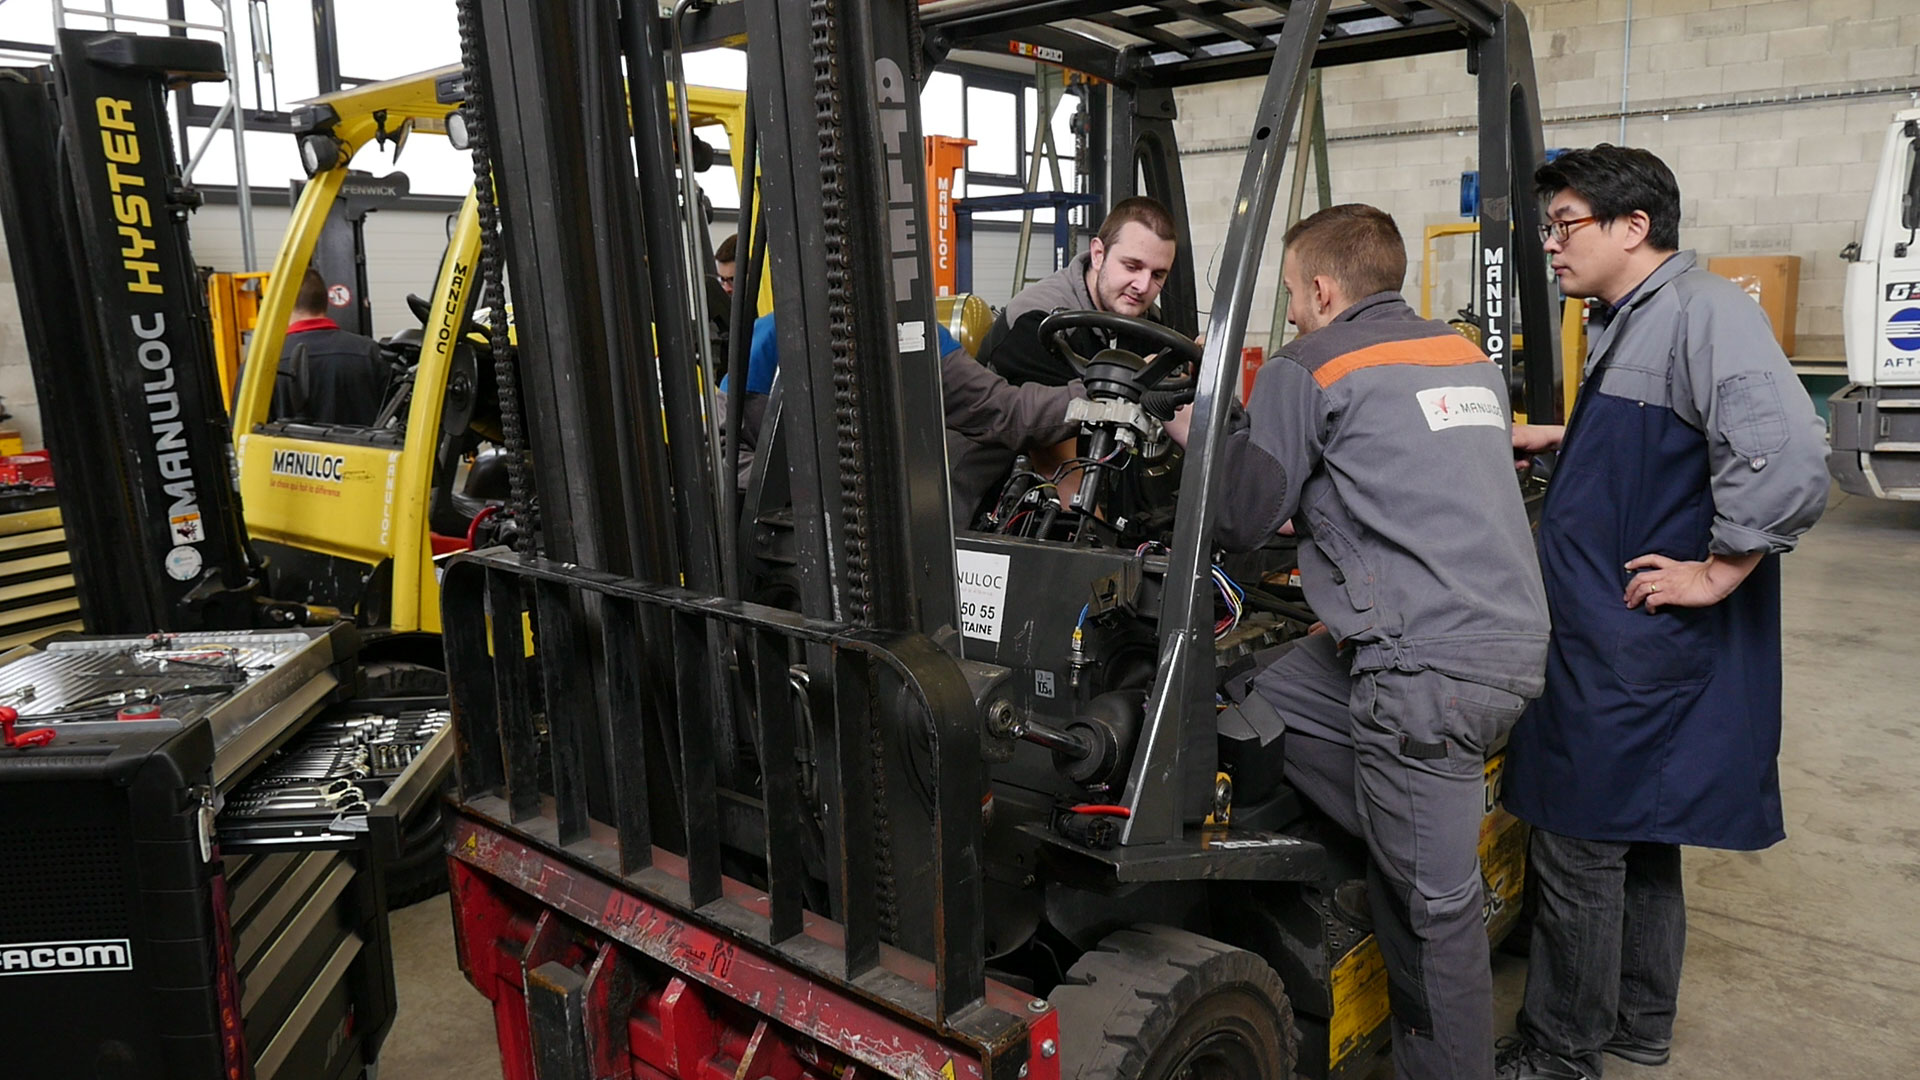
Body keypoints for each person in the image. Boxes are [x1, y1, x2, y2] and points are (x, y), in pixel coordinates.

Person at [1164, 204, 1550, 1080]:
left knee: (1431, 910)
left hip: (1424, 668)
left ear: (1325, 288)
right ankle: (1393, 824)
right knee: (1250, 688)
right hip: (1510, 639)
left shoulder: (1313, 363)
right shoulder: (1467, 359)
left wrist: (1208, 440)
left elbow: (1243, 518)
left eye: (1297, 296)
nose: (1295, 313)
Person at [1495, 146, 1828, 1080]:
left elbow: (1791, 455)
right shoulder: (1633, 316)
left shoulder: (1702, 309)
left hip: (1631, 639)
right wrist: (1570, 436)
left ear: (1632, 227)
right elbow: (1674, 436)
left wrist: (1718, 572)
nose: (1551, 245)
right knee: (1641, 833)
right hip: (1622, 633)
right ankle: (1636, 1026)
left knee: (1579, 836)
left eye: (1565, 225)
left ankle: (1559, 1054)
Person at [729, 312, 1082, 519]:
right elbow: (721, 457)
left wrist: (1095, 396)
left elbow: (1007, 411)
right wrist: (813, 486)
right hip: (791, 537)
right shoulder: (770, 344)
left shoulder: (916, 336)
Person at [959, 196, 1182, 523]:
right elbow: (1060, 470)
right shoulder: (1037, 323)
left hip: (1096, 485)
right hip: (995, 507)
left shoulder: (1145, 325)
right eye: (1132, 266)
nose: (1143, 286)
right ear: (1098, 253)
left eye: (1158, 275)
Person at [273, 267, 392, 426]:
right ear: (326, 301)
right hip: (362, 450)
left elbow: (243, 433)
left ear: (281, 304)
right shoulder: (369, 352)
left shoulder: (264, 362)